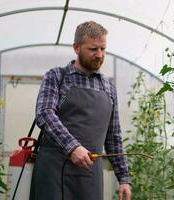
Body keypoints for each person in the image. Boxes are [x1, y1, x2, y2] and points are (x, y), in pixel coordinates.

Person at [30, 21, 131, 200]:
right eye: (93, 49)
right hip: (53, 173)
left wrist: (123, 178)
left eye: (103, 49)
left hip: (89, 179)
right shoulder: (57, 77)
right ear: (76, 48)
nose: (99, 55)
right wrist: (73, 147)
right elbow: (44, 113)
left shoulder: (109, 88)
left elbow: (113, 136)